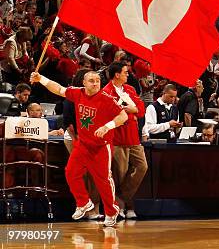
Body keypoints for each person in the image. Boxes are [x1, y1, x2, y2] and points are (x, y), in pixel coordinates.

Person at [30, 70, 128, 227]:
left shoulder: (106, 99)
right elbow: (58, 89)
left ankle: (111, 211)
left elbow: (123, 116)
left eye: (97, 80)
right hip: (83, 144)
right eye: (91, 80)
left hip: (101, 146)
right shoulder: (77, 93)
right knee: (71, 172)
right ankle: (84, 203)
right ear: (83, 83)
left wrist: (107, 126)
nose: (95, 83)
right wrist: (40, 78)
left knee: (103, 180)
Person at [102, 62, 147, 220]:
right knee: (119, 174)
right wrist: (131, 113)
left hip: (134, 137)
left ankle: (120, 198)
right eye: (125, 72)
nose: (128, 75)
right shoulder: (106, 92)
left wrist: (133, 111)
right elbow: (113, 115)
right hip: (117, 138)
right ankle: (125, 205)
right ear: (116, 75)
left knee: (142, 166)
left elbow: (141, 109)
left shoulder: (130, 89)